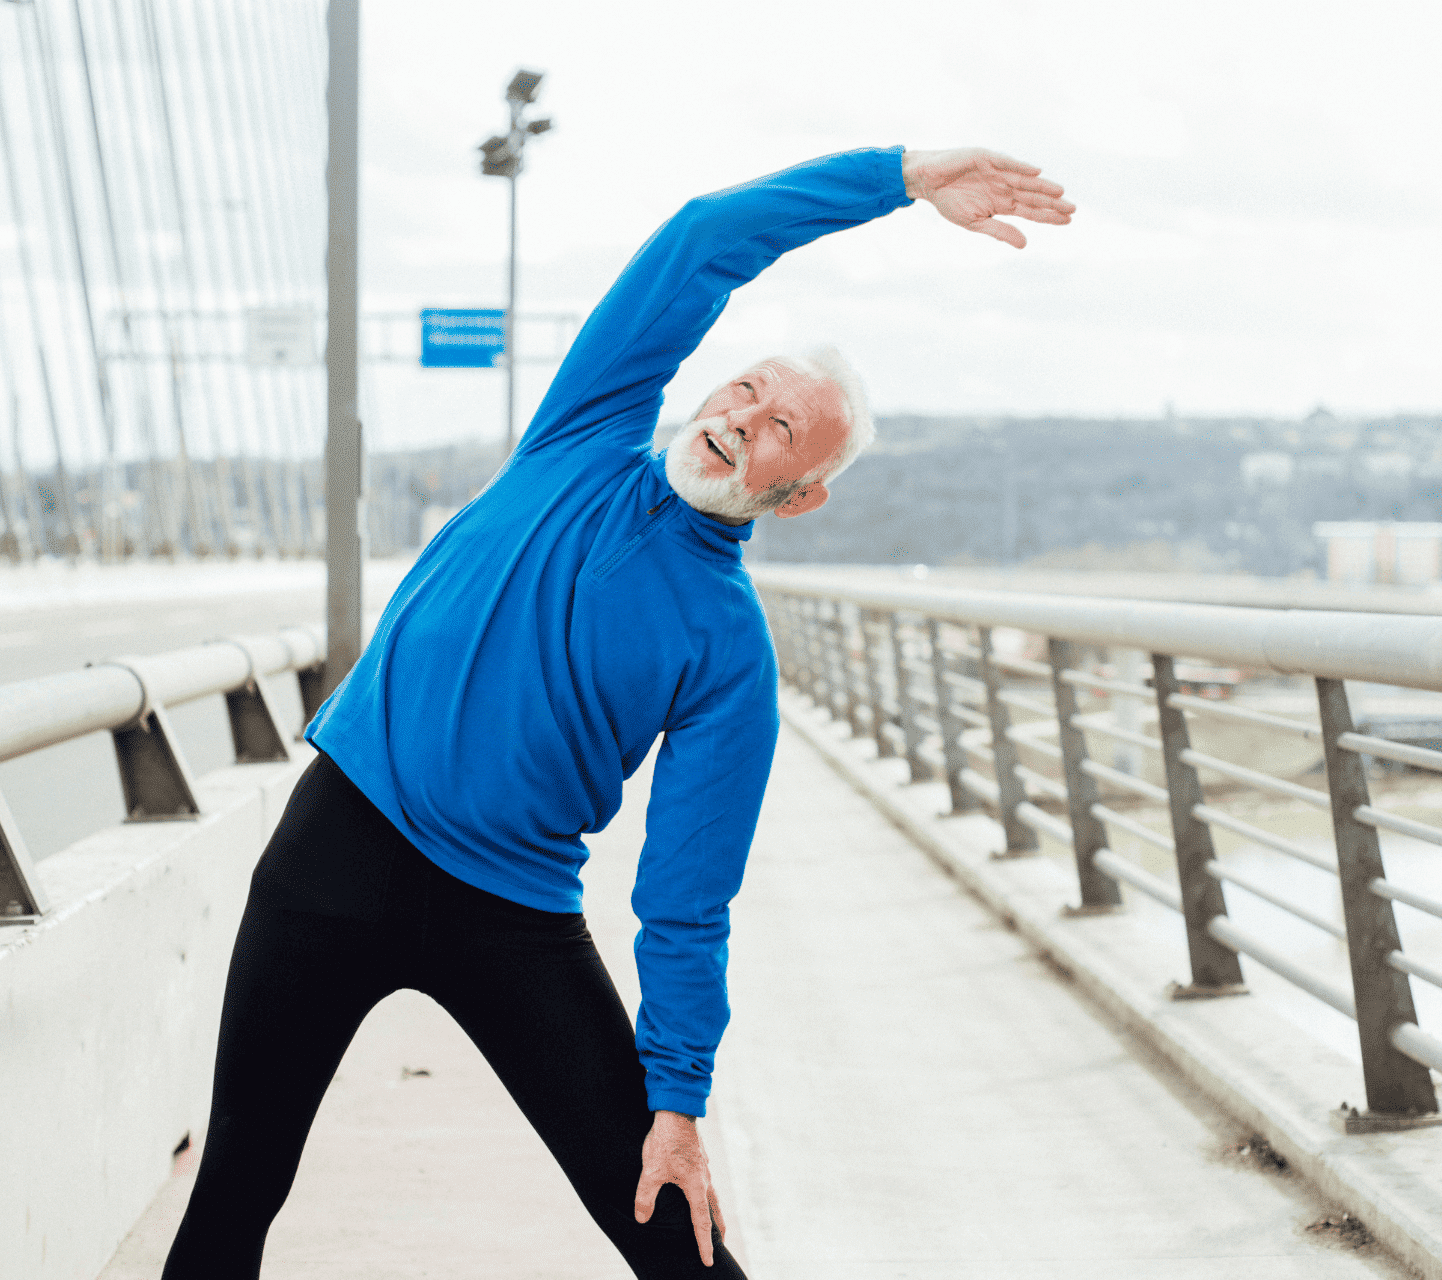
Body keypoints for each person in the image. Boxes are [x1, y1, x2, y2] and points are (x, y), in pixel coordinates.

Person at [161, 145, 1070, 1279]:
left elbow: (689, 893)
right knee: (237, 1189)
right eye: (747, 389)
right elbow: (703, 240)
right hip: (336, 850)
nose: (745, 419)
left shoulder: (730, 650)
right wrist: (899, 175)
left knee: (671, 1231)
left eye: (782, 431)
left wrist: (678, 1098)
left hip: (510, 913)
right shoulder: (586, 431)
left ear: (798, 497)